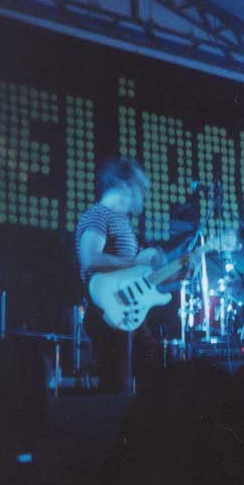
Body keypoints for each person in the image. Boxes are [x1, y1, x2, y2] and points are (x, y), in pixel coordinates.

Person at [75, 157, 165, 393]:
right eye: (141, 187)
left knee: (153, 380)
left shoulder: (124, 223)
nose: (143, 194)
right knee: (117, 388)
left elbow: (137, 273)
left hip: (131, 311)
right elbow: (90, 258)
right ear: (124, 184)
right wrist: (132, 262)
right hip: (108, 313)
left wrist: (176, 270)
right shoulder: (98, 215)